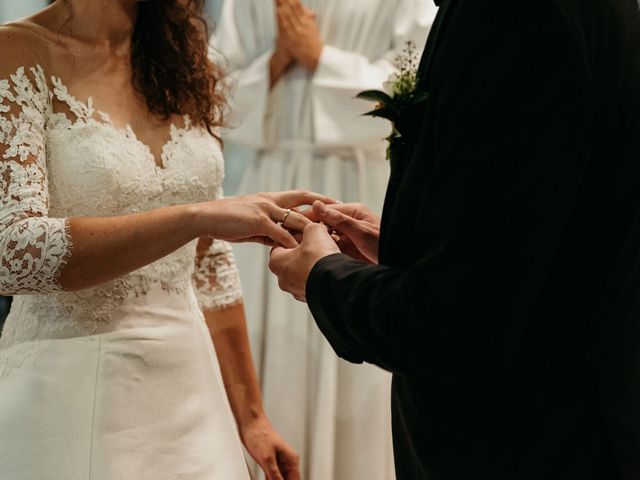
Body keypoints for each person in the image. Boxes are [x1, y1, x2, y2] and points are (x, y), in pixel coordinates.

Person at [269, 0, 640, 478]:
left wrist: (322, 277)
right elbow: (536, 229)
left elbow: (456, 323)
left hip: (526, 441)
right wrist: (413, 243)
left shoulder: (513, 17)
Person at [0, 1, 335, 478]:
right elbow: (13, 252)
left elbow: (209, 264)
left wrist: (253, 417)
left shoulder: (178, 52)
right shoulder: (16, 51)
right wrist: (194, 217)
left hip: (191, 394)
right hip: (69, 387)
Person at [213, 1, 435, 477]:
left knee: (355, 355)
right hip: (269, 182)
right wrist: (274, 62)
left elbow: (417, 92)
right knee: (267, 344)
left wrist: (321, 59)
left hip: (356, 181)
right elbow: (215, 96)